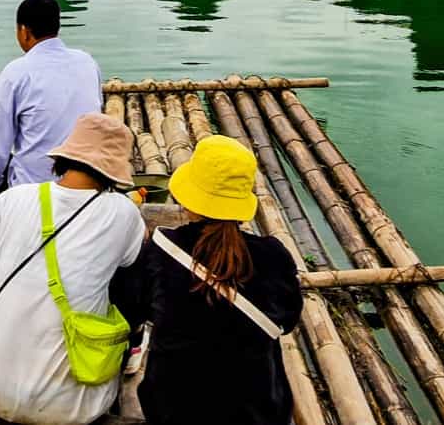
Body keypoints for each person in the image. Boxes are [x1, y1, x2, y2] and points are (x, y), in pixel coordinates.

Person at [0, 113, 146, 425]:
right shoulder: (124, 213)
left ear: (64, 159)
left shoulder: (12, 199)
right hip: (72, 408)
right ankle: (132, 351)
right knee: (126, 274)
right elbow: (130, 282)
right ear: (114, 172)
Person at [111, 135, 302, 425]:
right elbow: (287, 321)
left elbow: (131, 309)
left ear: (191, 199)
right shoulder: (274, 256)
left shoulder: (160, 251)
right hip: (258, 412)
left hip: (173, 409)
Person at [0, 0, 102, 210]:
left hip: (33, 193)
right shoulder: (87, 62)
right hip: (86, 181)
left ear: (24, 31)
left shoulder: (16, 72)